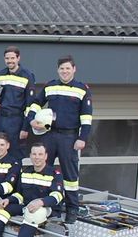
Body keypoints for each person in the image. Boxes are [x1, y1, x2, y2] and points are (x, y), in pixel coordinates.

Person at [28, 55, 92, 223]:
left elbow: (86, 117)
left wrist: (82, 138)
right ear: (58, 70)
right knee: (45, 172)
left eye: (68, 69)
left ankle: (72, 209)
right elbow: (35, 103)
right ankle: (52, 208)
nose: (65, 71)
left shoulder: (82, 89)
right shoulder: (50, 86)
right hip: (49, 135)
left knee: (70, 176)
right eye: (62, 69)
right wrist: (32, 119)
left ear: (74, 69)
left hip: (69, 137)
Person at [0, 46, 36, 162]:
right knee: (0, 150)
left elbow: (30, 104)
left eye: (12, 58)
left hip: (17, 120)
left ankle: (15, 179)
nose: (10, 61)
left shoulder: (27, 76)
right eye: (7, 58)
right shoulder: (1, 74)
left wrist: (25, 128)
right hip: (1, 118)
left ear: (18, 58)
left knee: (15, 154)